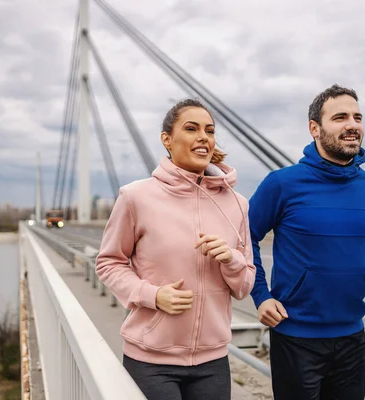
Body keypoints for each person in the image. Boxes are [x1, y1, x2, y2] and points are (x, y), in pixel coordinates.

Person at [95, 98, 256, 400]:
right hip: (151, 360)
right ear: (167, 140)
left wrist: (231, 260)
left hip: (213, 360)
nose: (203, 137)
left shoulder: (237, 204)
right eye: (191, 128)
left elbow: (245, 284)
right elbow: (108, 262)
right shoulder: (135, 197)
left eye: (209, 131)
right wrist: (153, 295)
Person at [248, 84, 365, 400]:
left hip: (352, 337)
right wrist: (261, 296)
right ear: (314, 128)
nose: (352, 125)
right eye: (340, 117)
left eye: (357, 117)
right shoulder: (282, 184)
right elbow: (242, 240)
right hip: (295, 337)